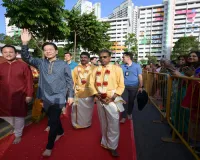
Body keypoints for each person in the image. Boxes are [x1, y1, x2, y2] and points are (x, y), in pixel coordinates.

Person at [20, 29, 74, 157]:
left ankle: (49, 146)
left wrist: (71, 95)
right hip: (45, 96)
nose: (48, 51)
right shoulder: (40, 63)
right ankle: (61, 132)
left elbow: (69, 81)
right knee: (52, 118)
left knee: (53, 120)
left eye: (51, 49)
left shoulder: (63, 64)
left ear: (56, 51)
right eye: (46, 49)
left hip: (59, 97)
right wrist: (24, 43)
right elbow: (26, 57)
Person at [89, 49, 125, 157]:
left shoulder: (117, 69)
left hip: (112, 99)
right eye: (101, 57)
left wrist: (112, 97)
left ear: (110, 58)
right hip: (100, 98)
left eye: (105, 57)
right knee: (103, 121)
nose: (102, 59)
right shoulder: (95, 70)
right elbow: (91, 84)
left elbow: (121, 85)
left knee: (113, 122)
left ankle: (113, 146)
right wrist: (96, 94)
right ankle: (105, 141)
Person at [0, 44, 33, 144]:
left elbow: (29, 81)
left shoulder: (23, 66)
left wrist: (29, 94)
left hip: (20, 95)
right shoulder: (1, 66)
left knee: (19, 115)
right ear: (2, 54)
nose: (8, 54)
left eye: (11, 52)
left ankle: (18, 134)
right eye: (5, 52)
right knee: (4, 114)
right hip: (3, 95)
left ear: (16, 53)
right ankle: (17, 128)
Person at [71, 52, 95, 128]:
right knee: (76, 109)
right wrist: (72, 92)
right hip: (78, 92)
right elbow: (73, 80)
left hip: (89, 93)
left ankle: (86, 124)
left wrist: (96, 93)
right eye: (82, 57)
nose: (83, 59)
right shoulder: (76, 68)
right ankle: (76, 124)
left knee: (87, 111)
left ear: (88, 58)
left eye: (85, 57)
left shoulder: (94, 68)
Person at [120, 52, 143, 123]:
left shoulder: (137, 66)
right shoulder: (122, 66)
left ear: (128, 58)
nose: (122, 58)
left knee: (131, 101)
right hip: (124, 86)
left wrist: (141, 86)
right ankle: (123, 116)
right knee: (124, 101)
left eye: (123, 57)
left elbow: (140, 76)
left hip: (134, 87)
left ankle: (129, 113)